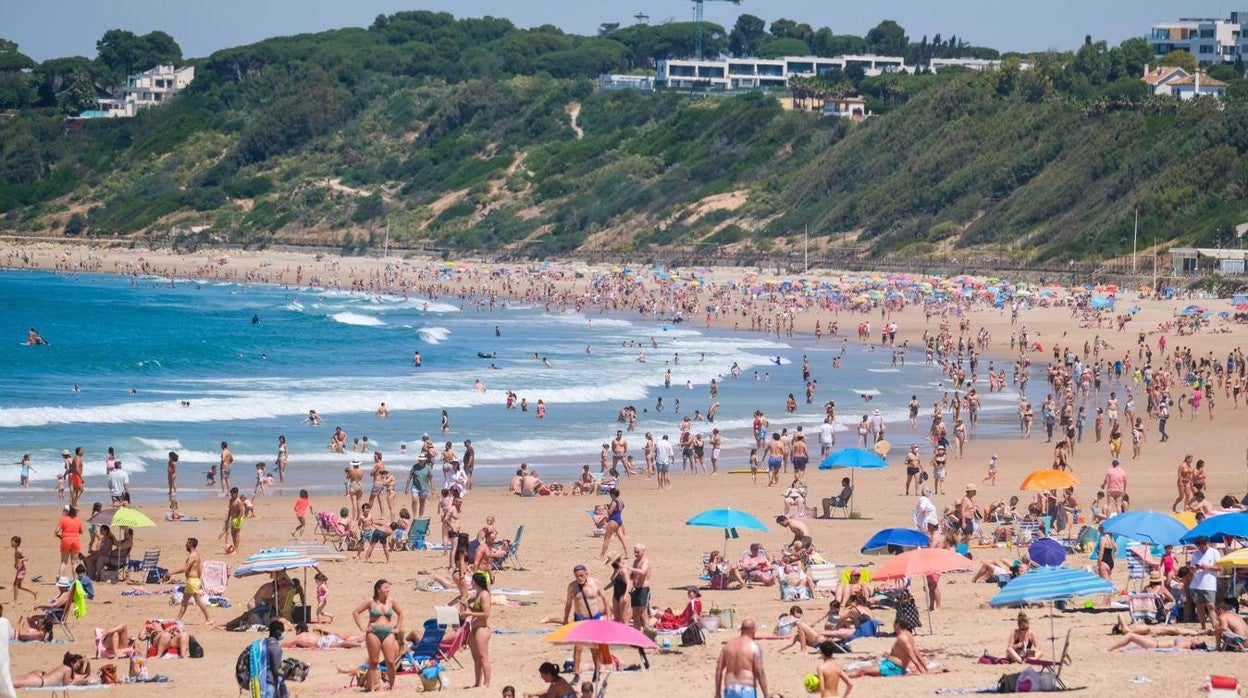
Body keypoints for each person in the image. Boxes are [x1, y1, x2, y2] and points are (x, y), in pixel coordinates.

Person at [353, 579, 404, 692]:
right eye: (386, 588)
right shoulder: (370, 601)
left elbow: (400, 614)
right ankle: (372, 687)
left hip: (388, 632)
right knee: (374, 661)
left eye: (389, 587)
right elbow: (356, 612)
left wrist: (398, 628)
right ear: (378, 589)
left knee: (390, 661)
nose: (388, 589)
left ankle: (392, 686)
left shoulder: (391, 601)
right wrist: (363, 628)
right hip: (373, 633)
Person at [562, 565, 608, 682]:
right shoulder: (572, 587)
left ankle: (597, 671)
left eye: (581, 575)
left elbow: (605, 600)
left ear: (586, 574)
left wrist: (609, 618)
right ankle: (577, 674)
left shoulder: (595, 583)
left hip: (594, 618)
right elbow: (568, 603)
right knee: (578, 648)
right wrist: (565, 618)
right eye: (577, 576)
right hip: (579, 618)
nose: (579, 578)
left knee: (594, 648)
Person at [847, 618, 928, 677]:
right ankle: (844, 675)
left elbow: (912, 655)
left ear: (897, 624)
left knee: (862, 671)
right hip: (890, 665)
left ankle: (842, 676)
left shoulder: (902, 638)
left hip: (892, 668)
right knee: (866, 671)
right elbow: (917, 653)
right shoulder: (908, 634)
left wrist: (922, 671)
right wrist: (925, 669)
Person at [714, 618, 771, 698]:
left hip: (730, 688)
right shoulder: (754, 646)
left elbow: (719, 670)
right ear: (753, 630)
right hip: (746, 689)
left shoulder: (727, 645)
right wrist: (766, 694)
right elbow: (760, 671)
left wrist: (717, 692)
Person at [462, 571, 493, 688]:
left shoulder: (484, 595)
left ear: (476, 582)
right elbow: (474, 609)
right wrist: (466, 606)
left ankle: (487, 682)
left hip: (481, 629)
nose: (471, 583)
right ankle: (477, 682)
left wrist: (470, 613)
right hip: (474, 628)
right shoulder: (478, 594)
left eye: (472, 581)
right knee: (476, 658)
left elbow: (486, 614)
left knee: (483, 656)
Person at [170, 537, 210, 623]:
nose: (186, 545)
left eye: (187, 543)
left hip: (192, 581)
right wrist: (197, 579)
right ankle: (177, 619)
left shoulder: (193, 556)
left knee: (198, 600)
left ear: (191, 545)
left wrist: (171, 572)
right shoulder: (196, 555)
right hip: (192, 581)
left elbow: (185, 568)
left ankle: (209, 619)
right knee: (184, 601)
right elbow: (200, 569)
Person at [1189, 536, 1221, 631]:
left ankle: (1214, 626)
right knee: (1199, 606)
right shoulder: (1196, 554)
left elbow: (1220, 568)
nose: (1200, 549)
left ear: (1206, 543)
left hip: (1209, 583)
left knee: (1211, 605)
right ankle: (1203, 627)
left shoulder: (1214, 552)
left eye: (1202, 547)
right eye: (1198, 547)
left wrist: (1207, 567)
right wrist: (1194, 568)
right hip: (1196, 583)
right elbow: (1191, 569)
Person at [11, 653, 91, 688]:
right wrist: (76, 682)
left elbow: (86, 674)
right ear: (72, 662)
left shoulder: (64, 667)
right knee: (11, 683)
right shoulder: (68, 669)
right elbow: (66, 687)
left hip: (39, 676)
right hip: (39, 680)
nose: (79, 666)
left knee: (10, 680)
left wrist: (88, 662)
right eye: (78, 663)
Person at [599, 488, 627, 560]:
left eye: (610, 494)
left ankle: (601, 556)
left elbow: (610, 512)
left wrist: (606, 508)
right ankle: (626, 553)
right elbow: (621, 508)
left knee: (607, 538)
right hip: (619, 519)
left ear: (613, 494)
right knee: (621, 537)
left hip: (613, 520)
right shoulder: (621, 501)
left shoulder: (614, 501)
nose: (610, 496)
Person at [55, 505, 82, 578]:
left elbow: (56, 531)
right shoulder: (77, 519)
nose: (63, 512)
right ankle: (76, 580)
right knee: (74, 562)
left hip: (66, 540)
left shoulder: (63, 519)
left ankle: (61, 579)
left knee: (64, 562)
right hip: (75, 540)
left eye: (64, 510)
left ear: (68, 512)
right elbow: (81, 531)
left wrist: (58, 535)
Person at [11, 536, 37, 601]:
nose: (11, 544)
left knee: (15, 585)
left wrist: (21, 560)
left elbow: (27, 558)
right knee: (19, 586)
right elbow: (17, 558)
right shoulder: (16, 549)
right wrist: (16, 563)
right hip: (19, 569)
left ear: (17, 543)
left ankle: (15, 601)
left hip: (21, 570)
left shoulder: (19, 550)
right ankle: (34, 592)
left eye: (12, 542)